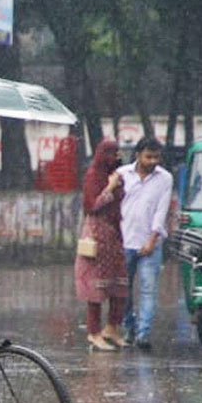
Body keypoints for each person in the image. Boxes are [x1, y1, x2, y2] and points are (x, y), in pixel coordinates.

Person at [118, 136, 173, 349]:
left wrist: (152, 239)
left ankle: (143, 333)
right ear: (137, 155)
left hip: (151, 243)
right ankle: (128, 328)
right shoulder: (122, 175)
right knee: (124, 290)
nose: (152, 162)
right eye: (148, 157)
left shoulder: (164, 178)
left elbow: (161, 211)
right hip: (125, 240)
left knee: (148, 290)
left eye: (156, 157)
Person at [75, 139, 128, 351]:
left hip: (114, 234)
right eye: (111, 153)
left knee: (119, 285)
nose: (115, 158)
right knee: (95, 288)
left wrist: (117, 184)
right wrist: (110, 187)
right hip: (97, 235)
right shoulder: (92, 175)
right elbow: (92, 205)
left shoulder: (113, 174)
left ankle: (111, 328)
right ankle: (94, 332)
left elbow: (119, 200)